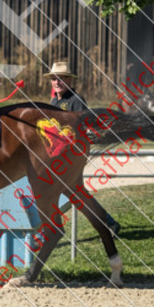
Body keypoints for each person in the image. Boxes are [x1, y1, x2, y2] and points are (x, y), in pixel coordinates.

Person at [47, 61, 123, 235]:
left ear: (70, 81)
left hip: (70, 155)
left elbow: (83, 127)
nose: (57, 82)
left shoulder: (76, 100)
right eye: (54, 78)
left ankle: (47, 231)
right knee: (76, 193)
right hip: (57, 155)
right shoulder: (53, 101)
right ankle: (109, 223)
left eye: (62, 78)